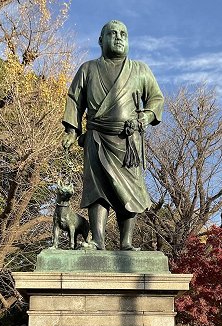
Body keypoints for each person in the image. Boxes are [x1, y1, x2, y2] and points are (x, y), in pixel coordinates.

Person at [62, 20, 164, 250]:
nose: (118, 37)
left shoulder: (140, 69)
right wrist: (71, 130)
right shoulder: (87, 69)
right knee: (97, 190)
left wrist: (145, 117)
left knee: (130, 190)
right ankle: (98, 240)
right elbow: (74, 100)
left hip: (127, 140)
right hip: (96, 136)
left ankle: (126, 242)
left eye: (123, 34)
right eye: (112, 33)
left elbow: (156, 99)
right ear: (101, 40)